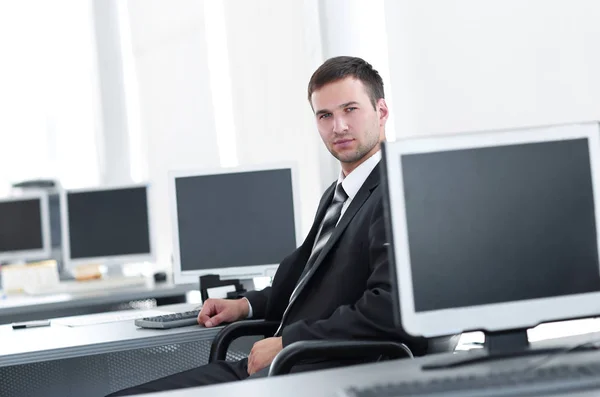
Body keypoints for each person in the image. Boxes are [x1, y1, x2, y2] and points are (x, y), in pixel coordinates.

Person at [108, 56, 427, 396]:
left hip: (321, 370)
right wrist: (245, 305)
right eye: (325, 115)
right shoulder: (340, 194)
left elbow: (389, 307)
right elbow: (311, 285)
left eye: (350, 109)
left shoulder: (396, 191)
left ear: (381, 112)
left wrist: (289, 341)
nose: (339, 126)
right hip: (288, 364)